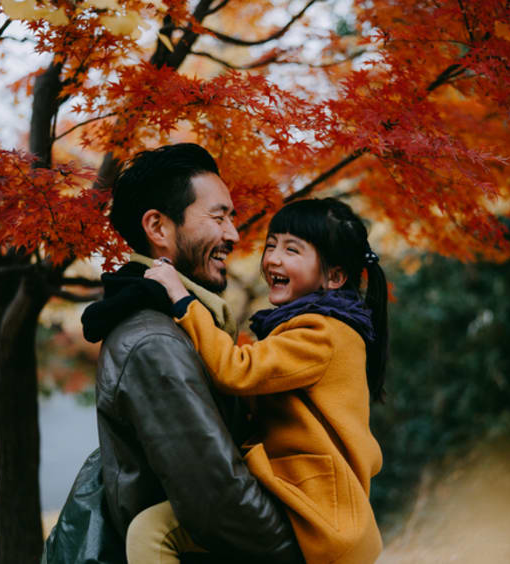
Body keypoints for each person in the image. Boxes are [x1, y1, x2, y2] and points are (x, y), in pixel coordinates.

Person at [42, 144, 303, 564]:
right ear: (158, 228)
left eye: (231, 218)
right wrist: (306, 550)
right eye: (218, 217)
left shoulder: (182, 326)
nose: (233, 235)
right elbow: (219, 500)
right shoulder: (154, 342)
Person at [134, 197, 388, 564]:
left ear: (334, 277)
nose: (273, 259)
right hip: (299, 502)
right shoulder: (311, 328)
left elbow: (237, 370)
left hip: (312, 514)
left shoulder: (321, 333)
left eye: (292, 249)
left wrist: (181, 298)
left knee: (152, 532)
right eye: (271, 245)